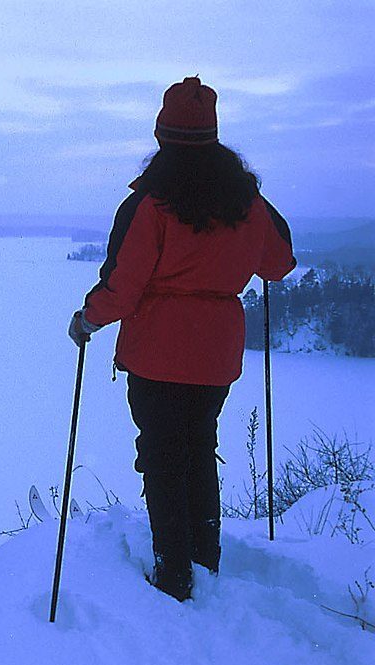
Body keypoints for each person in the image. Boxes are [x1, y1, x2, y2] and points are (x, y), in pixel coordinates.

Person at [68, 77, 296, 602]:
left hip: (157, 353)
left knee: (162, 456)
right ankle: (204, 559)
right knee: (198, 445)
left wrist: (86, 321)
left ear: (163, 135)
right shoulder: (244, 201)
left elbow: (122, 285)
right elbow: (279, 262)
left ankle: (174, 574)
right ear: (213, 135)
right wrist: (254, 198)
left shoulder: (151, 203)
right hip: (215, 356)